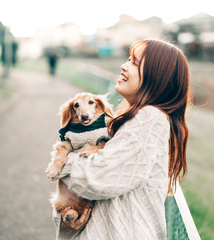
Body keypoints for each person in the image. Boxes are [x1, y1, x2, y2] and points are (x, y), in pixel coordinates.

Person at [52, 38, 191, 240]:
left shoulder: (150, 119)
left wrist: (64, 159)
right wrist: (69, 227)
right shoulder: (133, 120)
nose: (124, 66)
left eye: (134, 62)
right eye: (128, 59)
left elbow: (94, 179)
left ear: (157, 76)